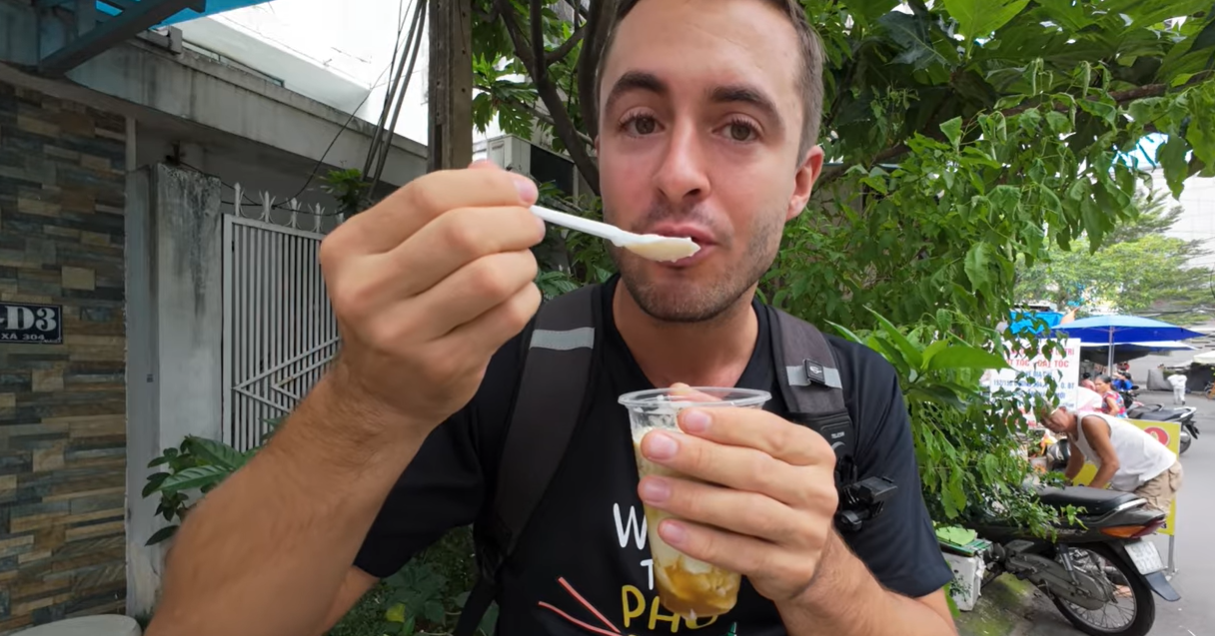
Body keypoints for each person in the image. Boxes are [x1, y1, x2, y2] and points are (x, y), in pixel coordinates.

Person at [143, 2, 958, 636]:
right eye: (640, 121)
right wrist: (368, 399)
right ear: (599, 152)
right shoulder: (500, 366)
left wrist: (818, 573)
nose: (677, 175)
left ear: (799, 182)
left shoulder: (848, 394)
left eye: (738, 128)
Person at [1039, 405, 1183, 513]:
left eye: (1051, 417)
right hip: (1134, 478)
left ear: (1063, 409)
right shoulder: (1072, 432)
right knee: (1113, 522)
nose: (1049, 423)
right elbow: (1077, 460)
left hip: (1156, 472)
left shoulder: (1089, 422)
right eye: (1044, 422)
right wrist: (1058, 484)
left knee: (1133, 525)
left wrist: (1086, 497)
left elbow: (1111, 464)